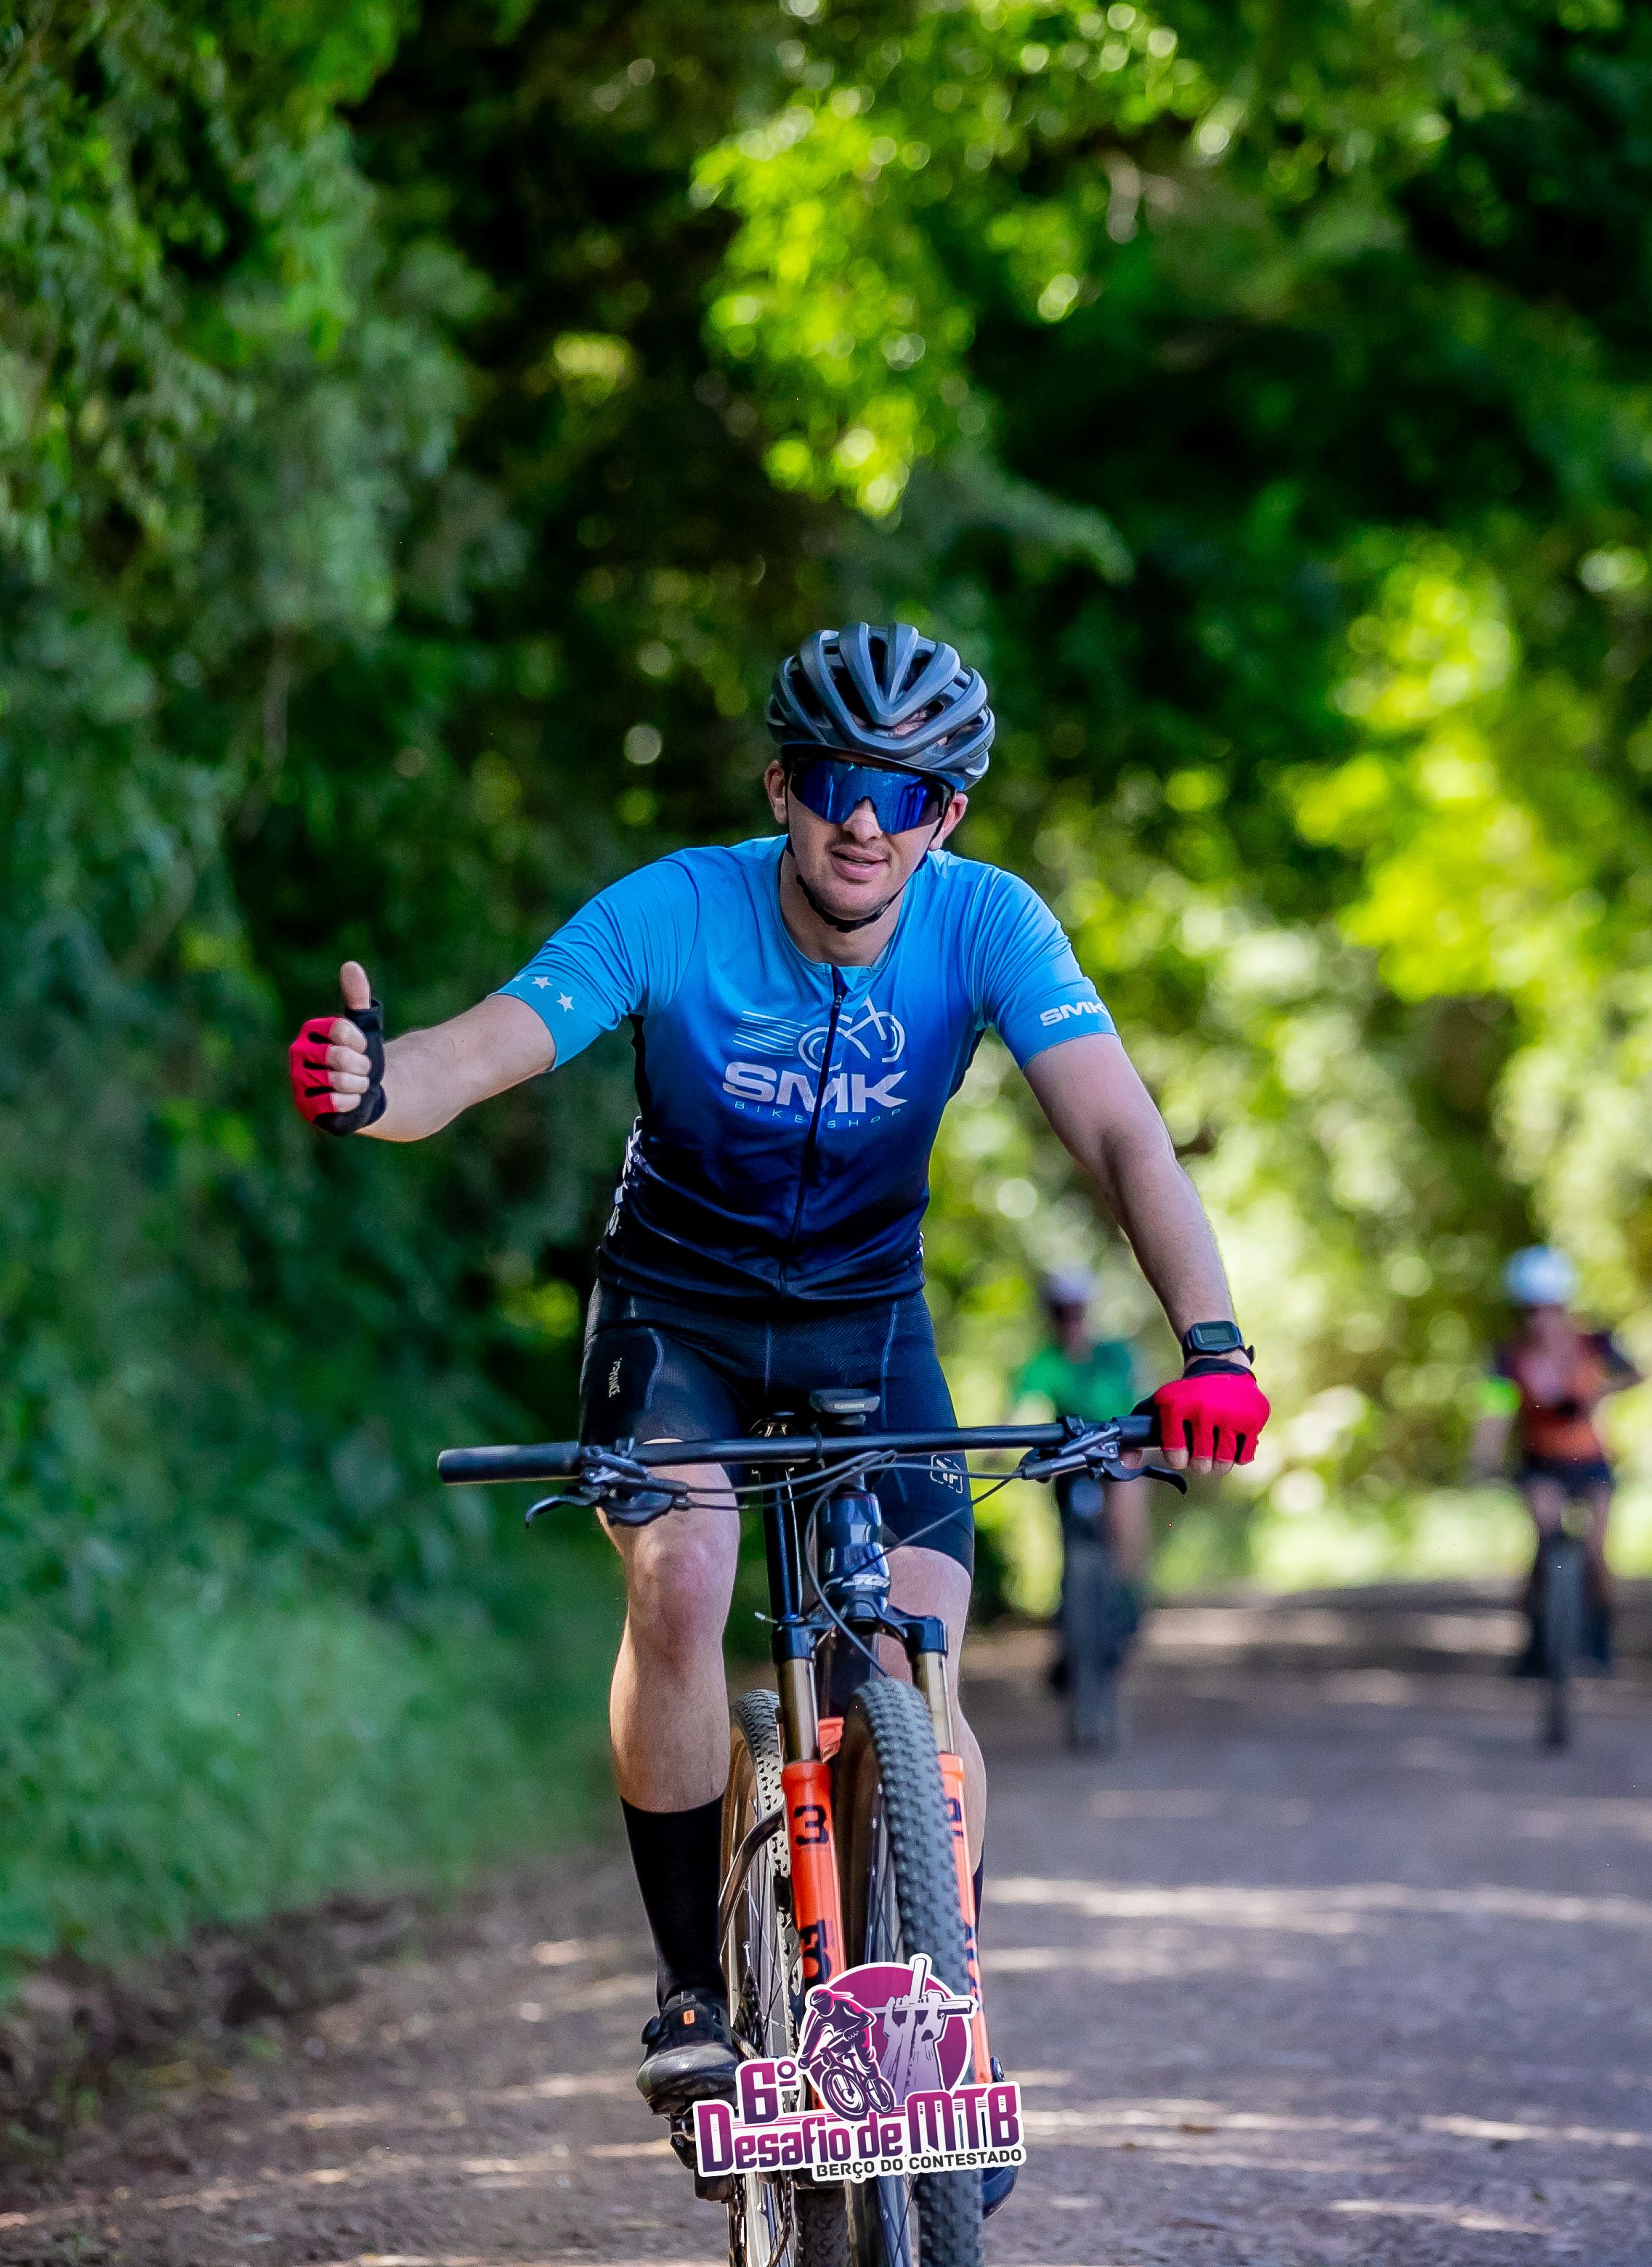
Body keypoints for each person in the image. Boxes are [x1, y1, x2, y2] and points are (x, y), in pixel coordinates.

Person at [285, 623, 1270, 2204]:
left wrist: (1212, 1344)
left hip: (867, 1329)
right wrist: (379, 1083)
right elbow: (484, 1049)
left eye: (907, 792)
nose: (864, 819)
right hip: (674, 1318)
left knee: (918, 1667)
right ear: (780, 788)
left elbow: (1121, 1140)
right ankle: (692, 1988)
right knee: (683, 1579)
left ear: (948, 814)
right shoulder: (677, 908)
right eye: (832, 780)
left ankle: (940, 2014)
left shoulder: (991, 923)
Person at [1470, 1245, 1641, 1673]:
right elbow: (1495, 1411)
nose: (1539, 1320)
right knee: (1544, 1541)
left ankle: (1600, 1639)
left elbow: (1635, 1374)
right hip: (1540, 1465)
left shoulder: (1594, 1344)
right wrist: (1483, 1457)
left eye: (1547, 1310)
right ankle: (1536, 1640)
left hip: (1592, 1463)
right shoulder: (1510, 1358)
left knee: (1597, 1552)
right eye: (1530, 1311)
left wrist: (1597, 1394)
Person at [1013, 1265, 1155, 1600]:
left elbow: (1144, 1398)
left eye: (1075, 1311)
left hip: (1122, 1450)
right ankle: (1074, 1612)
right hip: (1071, 1456)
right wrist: (995, 1448)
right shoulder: (1045, 1361)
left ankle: (1129, 1597)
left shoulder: (1115, 1354)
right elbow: (1020, 1409)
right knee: (1065, 1531)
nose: (1070, 1321)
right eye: (1062, 1313)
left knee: (1125, 1513)